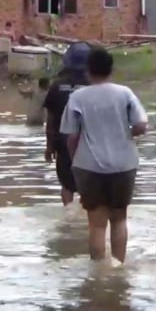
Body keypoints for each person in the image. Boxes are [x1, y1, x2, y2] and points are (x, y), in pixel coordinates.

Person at [60, 47, 148, 263]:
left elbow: (71, 136)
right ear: (111, 69)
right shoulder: (125, 93)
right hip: (123, 164)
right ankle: (119, 266)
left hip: (89, 166)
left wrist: (74, 161)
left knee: (97, 225)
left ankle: (99, 274)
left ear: (88, 71)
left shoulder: (78, 97)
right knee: (119, 219)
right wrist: (126, 134)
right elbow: (141, 125)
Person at [43, 42, 91, 206]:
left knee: (66, 185)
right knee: (87, 184)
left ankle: (68, 215)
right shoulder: (93, 86)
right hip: (87, 142)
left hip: (62, 140)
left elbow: (50, 119)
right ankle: (85, 217)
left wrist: (49, 146)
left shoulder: (57, 85)